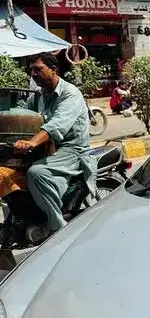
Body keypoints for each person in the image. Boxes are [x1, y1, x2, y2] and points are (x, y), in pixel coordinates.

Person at [10, 53, 97, 238]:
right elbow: (24, 117)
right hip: (46, 148)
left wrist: (32, 142)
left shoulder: (70, 94)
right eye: (31, 70)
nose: (33, 74)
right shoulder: (38, 97)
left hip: (72, 150)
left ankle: (57, 227)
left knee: (37, 172)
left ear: (53, 69)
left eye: (38, 69)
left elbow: (57, 124)